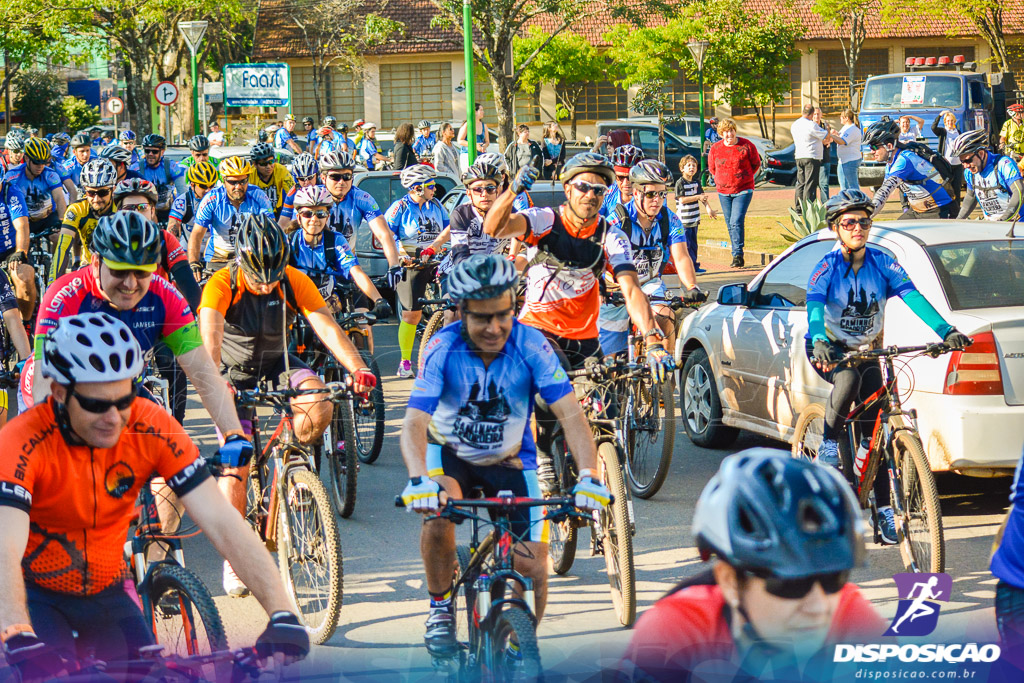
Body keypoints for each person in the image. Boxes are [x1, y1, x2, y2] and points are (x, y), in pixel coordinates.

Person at [0, 312, 308, 673]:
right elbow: (6, 546)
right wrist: (18, 632)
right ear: (58, 394)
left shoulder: (150, 423)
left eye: (124, 399)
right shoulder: (21, 441)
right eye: (97, 404)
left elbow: (223, 522)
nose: (114, 417)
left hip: (106, 596)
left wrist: (282, 612)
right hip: (34, 597)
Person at [399, 254, 610, 658]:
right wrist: (417, 480)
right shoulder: (443, 348)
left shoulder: (531, 344)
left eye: (503, 315)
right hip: (452, 456)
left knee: (535, 568)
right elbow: (413, 424)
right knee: (439, 512)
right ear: (461, 312)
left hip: (513, 461)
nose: (494, 327)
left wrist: (589, 476)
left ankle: (516, 651)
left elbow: (571, 415)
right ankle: (440, 608)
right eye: (482, 318)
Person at [197, 215, 376, 594]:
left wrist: (359, 369)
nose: (266, 285)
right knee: (236, 466)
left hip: (279, 364)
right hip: (233, 372)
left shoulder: (293, 279)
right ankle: (235, 555)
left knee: (320, 401)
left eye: (273, 275)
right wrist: (217, 392)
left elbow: (326, 326)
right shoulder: (220, 284)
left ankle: (294, 465)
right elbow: (208, 348)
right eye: (257, 277)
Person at [618, 449, 885, 682]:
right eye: (791, 584)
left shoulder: (851, 615)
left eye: (833, 577)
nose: (818, 605)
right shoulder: (673, 634)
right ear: (730, 582)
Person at [805, 190, 970, 544]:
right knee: (846, 380)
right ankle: (829, 443)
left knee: (875, 435)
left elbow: (914, 298)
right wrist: (818, 336)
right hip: (829, 349)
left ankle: (883, 513)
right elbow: (815, 307)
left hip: (867, 350)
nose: (858, 228)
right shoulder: (827, 267)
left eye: (864, 221)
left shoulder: (883, 262)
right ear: (836, 228)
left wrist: (946, 331)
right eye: (849, 223)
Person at [482, 152, 671, 398]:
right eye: (583, 187)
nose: (590, 195)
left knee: (607, 414)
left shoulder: (611, 236)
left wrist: (653, 338)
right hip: (540, 332)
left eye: (599, 190)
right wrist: (513, 191)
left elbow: (632, 290)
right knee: (551, 391)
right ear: (567, 189)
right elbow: (493, 228)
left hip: (585, 339)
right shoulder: (544, 220)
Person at [601, 158, 705, 357]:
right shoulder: (616, 220)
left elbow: (682, 256)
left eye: (662, 193)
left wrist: (692, 287)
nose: (657, 200)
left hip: (650, 283)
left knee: (666, 317)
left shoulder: (669, 219)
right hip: (615, 288)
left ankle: (667, 376)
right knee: (610, 362)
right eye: (650, 194)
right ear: (636, 192)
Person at [288, 185, 392, 352]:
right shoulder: (289, 242)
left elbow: (355, 271)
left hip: (327, 304)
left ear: (328, 216)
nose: (314, 219)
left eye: (320, 214)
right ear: (299, 217)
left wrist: (378, 299)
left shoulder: (335, 240)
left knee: (358, 333)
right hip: (298, 307)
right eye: (308, 213)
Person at [386, 164, 451, 377]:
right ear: (416, 188)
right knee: (411, 314)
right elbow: (387, 234)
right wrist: (401, 255)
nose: (435, 189)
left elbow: (450, 229)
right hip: (411, 263)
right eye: (430, 185)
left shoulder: (437, 205)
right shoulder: (400, 207)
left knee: (453, 303)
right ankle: (405, 363)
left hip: (435, 259)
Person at [316, 151, 402, 282]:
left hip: (347, 265)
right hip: (317, 264)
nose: (341, 182)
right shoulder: (314, 198)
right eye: (335, 177)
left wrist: (394, 266)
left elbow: (384, 234)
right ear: (323, 178)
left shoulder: (361, 198)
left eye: (347, 176)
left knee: (362, 301)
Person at [188, 155, 275, 275]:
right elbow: (197, 234)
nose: (238, 186)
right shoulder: (212, 199)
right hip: (218, 258)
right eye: (232, 182)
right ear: (224, 181)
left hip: (250, 258)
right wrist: (193, 262)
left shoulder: (258, 196)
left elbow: (271, 230)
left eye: (243, 181)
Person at [863, 118, 955, 219]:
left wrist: (864, 217)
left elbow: (884, 193)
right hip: (918, 210)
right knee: (896, 232)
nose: (872, 151)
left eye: (874, 147)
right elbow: (882, 192)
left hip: (939, 209)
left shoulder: (904, 160)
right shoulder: (890, 164)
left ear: (889, 146)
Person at [50, 159, 119, 286]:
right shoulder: (77, 209)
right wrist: (53, 283)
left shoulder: (122, 207)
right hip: (89, 268)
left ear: (113, 189)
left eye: (103, 192)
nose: (96, 199)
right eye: (91, 193)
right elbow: (63, 248)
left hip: (119, 269)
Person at [708, 118, 760, 269]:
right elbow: (712, 168)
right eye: (725, 132)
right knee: (730, 223)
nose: (729, 134)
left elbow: (756, 164)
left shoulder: (746, 146)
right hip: (723, 191)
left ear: (735, 131)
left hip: (743, 189)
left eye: (731, 131)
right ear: (721, 134)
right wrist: (720, 180)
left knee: (735, 221)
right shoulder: (715, 149)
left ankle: (738, 255)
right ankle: (736, 251)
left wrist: (744, 177)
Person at [951, 129, 1024, 221]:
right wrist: (958, 221)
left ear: (981, 154)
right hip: (992, 223)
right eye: (962, 161)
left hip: (1017, 222)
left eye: (968, 160)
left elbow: (1019, 192)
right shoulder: (970, 173)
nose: (965, 166)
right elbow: (970, 197)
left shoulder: (1004, 164)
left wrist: (1003, 220)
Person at [5, 137, 66, 238]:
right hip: (24, 219)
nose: (40, 166)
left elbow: (59, 198)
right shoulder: (12, 176)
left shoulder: (50, 174)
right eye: (36, 162)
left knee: (59, 237)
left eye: (43, 162)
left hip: (47, 217)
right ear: (27, 158)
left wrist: (61, 220)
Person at [0, 165, 37, 321]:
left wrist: (20, 250)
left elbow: (21, 224)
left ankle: (26, 321)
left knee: (24, 277)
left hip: (11, 250)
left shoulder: (11, 192)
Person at [674, 154, 716, 274]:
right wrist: (696, 197)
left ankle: (694, 266)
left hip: (694, 219)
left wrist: (709, 209)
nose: (691, 168)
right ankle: (686, 268)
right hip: (684, 220)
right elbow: (682, 199)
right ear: (682, 168)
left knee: (693, 244)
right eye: (688, 165)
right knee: (686, 245)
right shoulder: (680, 183)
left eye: (694, 165)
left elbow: (702, 198)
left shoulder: (696, 182)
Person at [168, 160, 219, 245]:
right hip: (189, 245)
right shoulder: (182, 201)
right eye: (203, 186)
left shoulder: (220, 199)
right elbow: (172, 232)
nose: (208, 190)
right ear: (192, 185)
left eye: (212, 186)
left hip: (213, 249)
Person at [138, 134, 184, 223]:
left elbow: (182, 191)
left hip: (167, 210)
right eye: (147, 151)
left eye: (154, 152)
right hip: (144, 211)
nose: (150, 154)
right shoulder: (137, 167)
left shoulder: (171, 166)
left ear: (162, 152)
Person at [791, 104, 827, 209]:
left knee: (800, 183)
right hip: (811, 156)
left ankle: (799, 207)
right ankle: (808, 208)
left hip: (799, 155)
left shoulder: (795, 124)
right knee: (810, 183)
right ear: (811, 114)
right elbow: (824, 135)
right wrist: (828, 129)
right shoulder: (811, 125)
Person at [249, 142, 294, 220]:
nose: (268, 167)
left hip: (277, 211)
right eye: (263, 164)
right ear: (255, 164)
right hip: (257, 212)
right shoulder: (251, 174)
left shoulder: (281, 170)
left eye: (271, 162)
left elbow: (292, 193)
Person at [599, 144, 645, 218]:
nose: (625, 182)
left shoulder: (652, 195)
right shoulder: (608, 192)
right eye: (620, 177)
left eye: (630, 177)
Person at [278, 152, 321, 229]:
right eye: (302, 179)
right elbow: (283, 223)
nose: (307, 182)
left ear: (316, 175)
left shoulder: (325, 188)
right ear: (296, 179)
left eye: (310, 177)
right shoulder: (293, 193)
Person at [931, 110, 963, 200]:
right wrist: (940, 115)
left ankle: (957, 210)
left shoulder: (958, 132)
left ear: (954, 121)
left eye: (952, 120)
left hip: (957, 164)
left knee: (957, 188)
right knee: (946, 187)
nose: (950, 122)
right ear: (945, 122)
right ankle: (947, 208)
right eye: (948, 121)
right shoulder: (943, 131)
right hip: (946, 164)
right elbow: (933, 127)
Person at [834, 109, 863, 193]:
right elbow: (841, 138)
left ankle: (857, 202)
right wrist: (836, 134)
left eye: (841, 117)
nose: (840, 118)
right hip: (843, 160)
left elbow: (842, 141)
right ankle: (847, 203)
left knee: (852, 186)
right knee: (844, 187)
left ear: (846, 118)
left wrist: (831, 135)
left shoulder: (852, 129)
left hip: (850, 161)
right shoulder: (846, 128)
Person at [813, 108, 835, 201]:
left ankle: (825, 206)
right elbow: (825, 140)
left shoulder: (825, 126)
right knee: (812, 184)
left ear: (821, 115)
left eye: (818, 114)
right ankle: (812, 206)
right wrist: (825, 139)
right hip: (813, 159)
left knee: (824, 184)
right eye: (814, 114)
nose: (816, 116)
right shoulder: (811, 126)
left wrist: (828, 133)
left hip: (824, 158)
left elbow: (829, 140)